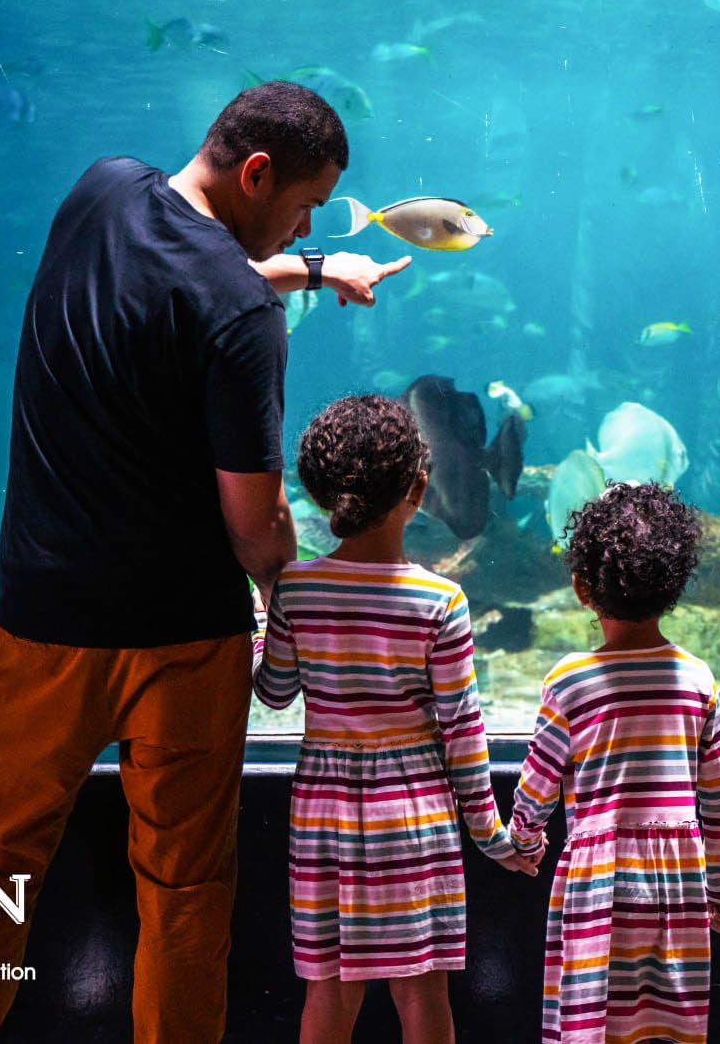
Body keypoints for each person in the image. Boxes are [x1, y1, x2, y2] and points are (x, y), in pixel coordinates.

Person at [0, 82, 408, 1044]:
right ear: (258, 173)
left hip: (41, 623)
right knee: (182, 890)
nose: (307, 220)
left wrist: (308, 267)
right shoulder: (240, 322)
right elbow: (254, 523)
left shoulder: (100, 190)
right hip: (182, 643)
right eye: (305, 204)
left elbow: (177, 284)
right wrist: (290, 596)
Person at [255, 394, 538, 1044]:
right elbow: (465, 738)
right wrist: (492, 836)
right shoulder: (440, 602)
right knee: (423, 992)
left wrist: (260, 628)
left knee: (330, 988)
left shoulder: (296, 588)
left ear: (323, 493)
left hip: (323, 817)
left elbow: (274, 694)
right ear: (419, 486)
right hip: (415, 816)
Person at [505, 482, 720, 1044]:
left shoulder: (569, 682)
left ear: (583, 588)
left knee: (594, 1021)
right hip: (679, 882)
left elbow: (536, 788)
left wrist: (526, 841)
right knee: (668, 1024)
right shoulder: (697, 679)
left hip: (599, 882)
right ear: (675, 586)